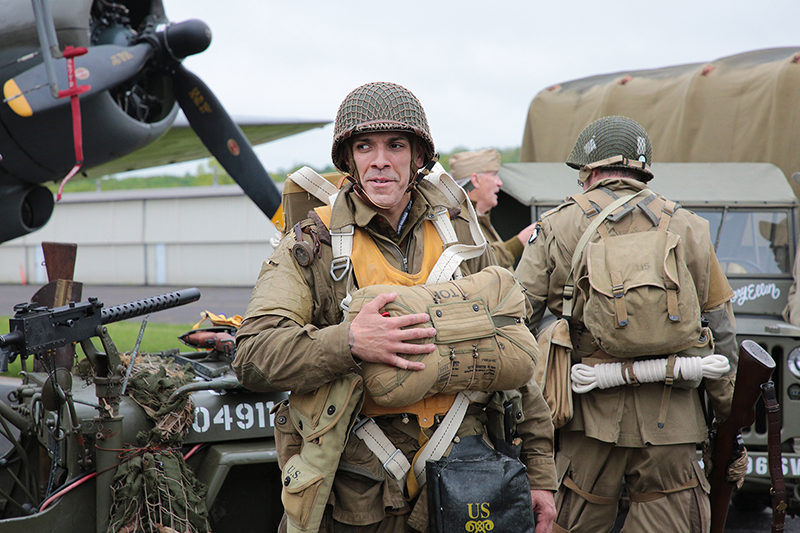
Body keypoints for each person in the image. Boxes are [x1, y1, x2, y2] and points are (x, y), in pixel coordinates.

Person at [233, 81, 557, 533]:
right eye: (364, 146)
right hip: (360, 495)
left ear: (419, 158)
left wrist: (541, 476)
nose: (380, 160)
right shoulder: (311, 245)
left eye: (396, 145)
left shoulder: (462, 238)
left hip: (470, 480)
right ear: (348, 159)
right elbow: (252, 355)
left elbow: (513, 352)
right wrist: (349, 342)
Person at [515, 116, 738, 532]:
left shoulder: (557, 226)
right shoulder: (688, 226)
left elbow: (515, 328)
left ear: (589, 172)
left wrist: (522, 424)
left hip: (584, 421)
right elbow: (722, 336)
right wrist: (727, 420)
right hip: (675, 423)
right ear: (643, 171)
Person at [449, 149, 536, 269]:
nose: (500, 183)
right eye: (494, 175)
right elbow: (478, 263)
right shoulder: (459, 220)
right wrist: (520, 241)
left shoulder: (476, 217)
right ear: (475, 180)